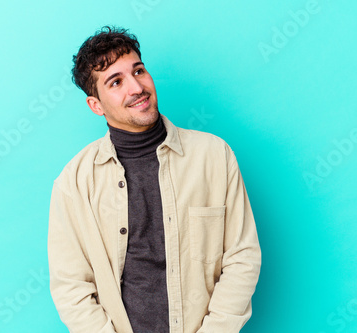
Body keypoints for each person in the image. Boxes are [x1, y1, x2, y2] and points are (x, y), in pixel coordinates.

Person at [48, 26, 261, 333]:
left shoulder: (214, 156)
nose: (136, 88)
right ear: (96, 105)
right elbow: (71, 286)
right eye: (116, 82)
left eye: (139, 71)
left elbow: (243, 257)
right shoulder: (74, 183)